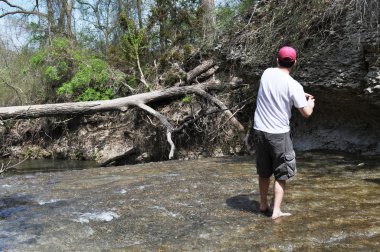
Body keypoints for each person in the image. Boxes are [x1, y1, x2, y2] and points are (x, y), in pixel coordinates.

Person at [253, 46, 315, 220]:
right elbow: (306, 113)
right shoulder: (293, 85)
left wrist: (299, 94)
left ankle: (263, 204)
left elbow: (277, 87)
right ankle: (276, 211)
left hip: (259, 130)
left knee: (264, 171)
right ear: (295, 62)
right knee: (281, 173)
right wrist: (309, 102)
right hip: (279, 135)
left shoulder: (266, 73)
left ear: (277, 60)